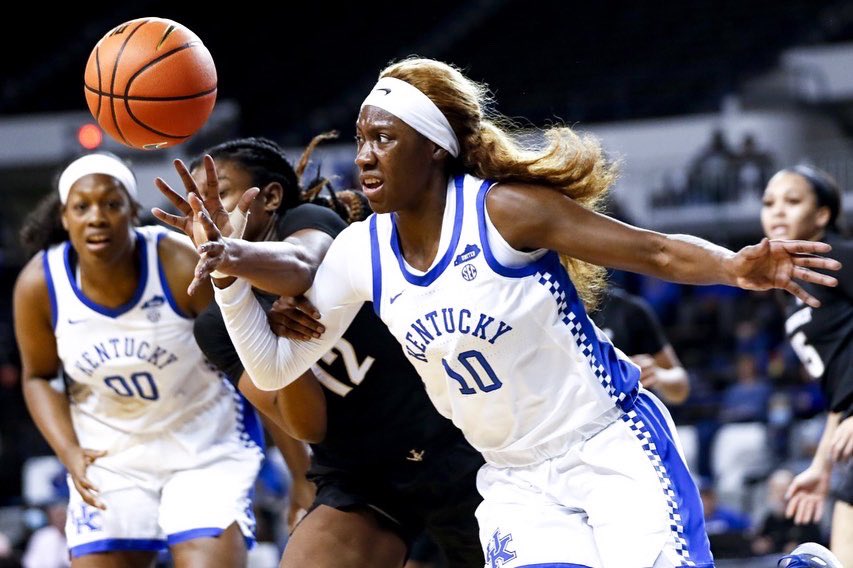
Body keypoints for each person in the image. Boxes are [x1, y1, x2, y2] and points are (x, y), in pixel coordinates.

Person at [159, 58, 840, 568]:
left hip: (606, 441)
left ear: (433, 147)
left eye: (384, 139)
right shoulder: (361, 252)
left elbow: (653, 251)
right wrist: (226, 274)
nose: (364, 155)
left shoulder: (502, 212)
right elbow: (274, 368)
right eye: (362, 139)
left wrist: (733, 266)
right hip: (513, 476)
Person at [155, 136, 484, 568]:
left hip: (450, 438)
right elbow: (307, 425)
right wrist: (279, 344)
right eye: (195, 203)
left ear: (271, 198)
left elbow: (302, 266)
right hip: (360, 473)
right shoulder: (216, 326)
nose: (205, 212)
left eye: (220, 194)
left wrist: (233, 255)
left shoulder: (311, 221)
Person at [13, 153, 263, 566]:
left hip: (204, 445)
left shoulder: (179, 261)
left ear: (133, 211)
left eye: (111, 204)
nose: (97, 217)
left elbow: (251, 356)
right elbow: (37, 377)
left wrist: (299, 473)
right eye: (82, 207)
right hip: (110, 457)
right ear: (65, 218)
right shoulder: (40, 284)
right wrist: (69, 451)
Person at [759, 164, 853, 567]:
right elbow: (840, 390)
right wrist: (821, 466)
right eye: (769, 203)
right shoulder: (792, 288)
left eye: (792, 200)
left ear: (822, 215)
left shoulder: (839, 257)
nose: (777, 211)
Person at [591, 287, 690, 404]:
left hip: (624, 411)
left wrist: (656, 374)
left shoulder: (627, 309)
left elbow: (681, 387)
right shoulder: (570, 318)